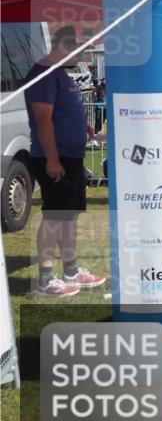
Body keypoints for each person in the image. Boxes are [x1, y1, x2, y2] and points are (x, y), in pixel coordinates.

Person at [24, 26, 105, 297]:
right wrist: (53, 159)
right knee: (54, 216)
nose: (84, 58)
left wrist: (86, 131)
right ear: (66, 47)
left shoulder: (60, 73)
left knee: (68, 218)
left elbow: (63, 111)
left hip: (71, 157)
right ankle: (46, 278)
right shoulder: (44, 74)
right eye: (82, 51)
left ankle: (71, 270)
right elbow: (43, 119)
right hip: (55, 158)